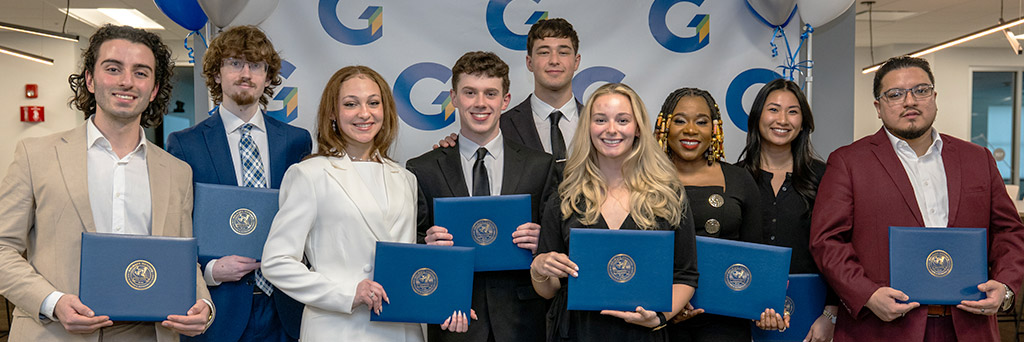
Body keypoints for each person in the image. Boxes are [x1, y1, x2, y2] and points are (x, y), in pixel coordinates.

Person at [0, 24, 213, 341]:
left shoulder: (177, 172)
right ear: (89, 79)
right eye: (113, 69)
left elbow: (183, 260)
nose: (127, 81)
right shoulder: (37, 155)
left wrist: (204, 306)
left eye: (141, 73)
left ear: (154, 89)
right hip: (56, 331)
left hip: (149, 334)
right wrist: (53, 302)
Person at [810, 55, 1024, 341]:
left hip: (969, 326)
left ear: (934, 97)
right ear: (878, 106)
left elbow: (1009, 232)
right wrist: (867, 294)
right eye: (895, 94)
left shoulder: (978, 159)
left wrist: (1006, 287)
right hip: (883, 327)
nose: (910, 101)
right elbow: (826, 241)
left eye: (920, 90)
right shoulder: (849, 162)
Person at [260, 66, 463, 341]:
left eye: (373, 103)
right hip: (340, 328)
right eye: (350, 104)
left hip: (402, 329)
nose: (364, 113)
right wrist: (347, 293)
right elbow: (276, 262)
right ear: (333, 112)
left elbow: (401, 259)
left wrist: (438, 280)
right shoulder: (309, 174)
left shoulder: (404, 177)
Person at [165, 25, 310, 342]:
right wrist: (211, 270)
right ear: (216, 74)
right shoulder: (184, 145)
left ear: (268, 77)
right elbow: (174, 227)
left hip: (285, 309)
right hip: (220, 309)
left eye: (256, 65)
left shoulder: (296, 142)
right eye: (235, 63)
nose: (246, 73)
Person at [407, 51, 558, 342]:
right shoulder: (422, 168)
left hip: (525, 321)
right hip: (452, 320)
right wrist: (426, 245)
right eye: (469, 93)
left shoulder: (540, 165)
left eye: (490, 93)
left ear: (505, 100)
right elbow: (407, 240)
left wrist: (543, 241)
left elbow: (560, 240)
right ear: (453, 97)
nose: (480, 103)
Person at [531, 83, 697, 342]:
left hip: (643, 335)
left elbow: (685, 275)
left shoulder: (668, 196)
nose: (611, 129)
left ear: (638, 128)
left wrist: (659, 317)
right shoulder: (564, 197)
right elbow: (549, 291)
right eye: (600, 120)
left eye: (622, 120)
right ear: (588, 127)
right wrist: (539, 270)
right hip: (578, 332)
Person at [652, 87, 762, 341]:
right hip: (656, 318)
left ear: (715, 129)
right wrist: (670, 309)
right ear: (664, 126)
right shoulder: (642, 180)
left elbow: (754, 254)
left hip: (725, 319)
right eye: (679, 120)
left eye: (701, 122)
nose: (690, 130)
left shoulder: (739, 179)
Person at [735, 78, 837, 342]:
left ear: (803, 122)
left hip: (812, 316)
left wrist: (831, 315)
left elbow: (840, 247)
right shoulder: (735, 178)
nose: (782, 119)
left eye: (793, 111)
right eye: (773, 109)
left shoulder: (825, 177)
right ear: (757, 116)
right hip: (743, 313)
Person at [437, 18, 582, 169]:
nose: (554, 60)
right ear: (529, 62)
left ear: (576, 61)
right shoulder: (499, 126)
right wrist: (454, 151)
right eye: (544, 52)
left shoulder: (597, 124)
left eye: (563, 52)